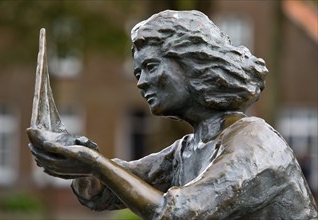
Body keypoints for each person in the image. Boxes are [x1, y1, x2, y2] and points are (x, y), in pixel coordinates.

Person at [27, 10, 318, 219]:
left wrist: (95, 163)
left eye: (152, 67)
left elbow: (175, 214)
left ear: (192, 63)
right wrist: (82, 166)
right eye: (138, 72)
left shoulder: (256, 142)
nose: (141, 82)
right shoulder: (188, 149)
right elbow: (101, 193)